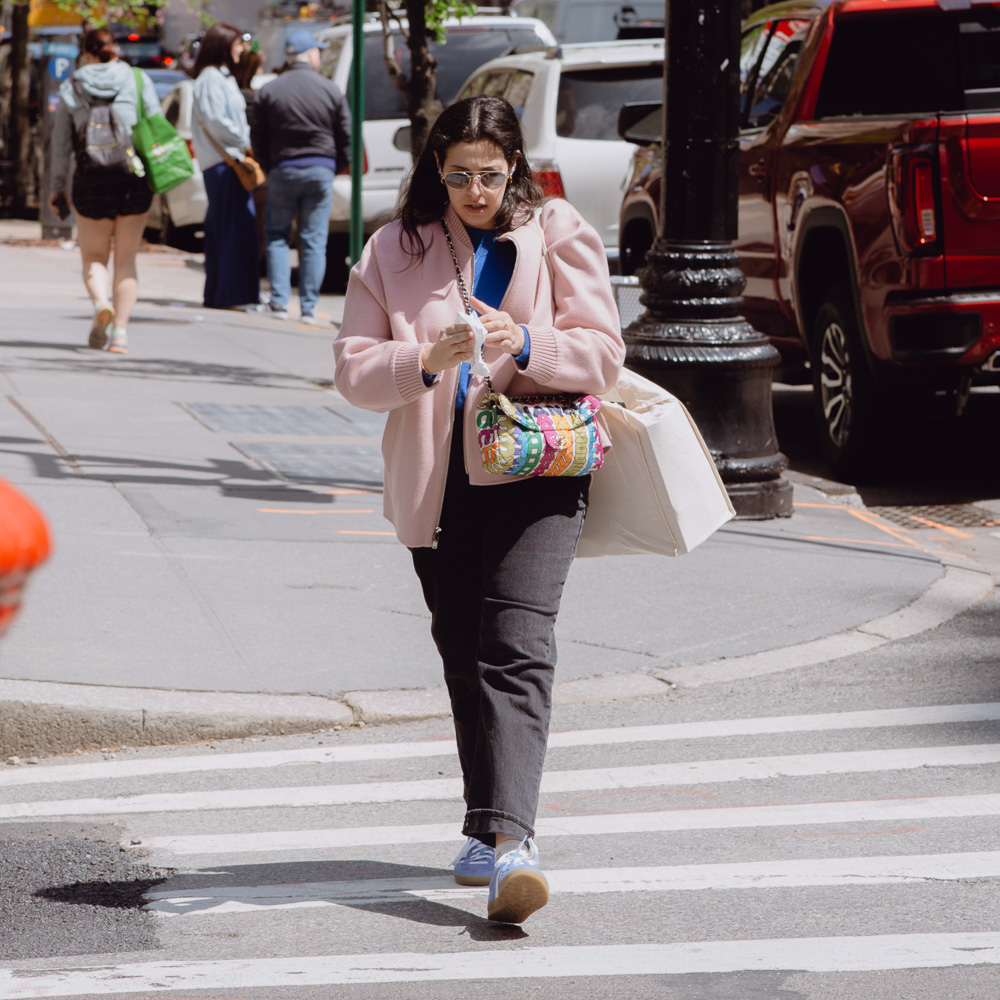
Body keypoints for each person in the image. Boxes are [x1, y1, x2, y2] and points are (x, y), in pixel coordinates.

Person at [333, 96, 624, 923]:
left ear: (514, 167)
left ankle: (514, 849)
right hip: (439, 480)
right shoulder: (396, 248)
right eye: (456, 174)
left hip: (538, 465)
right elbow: (352, 367)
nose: (473, 190)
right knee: (464, 648)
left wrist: (524, 342)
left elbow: (604, 352)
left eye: (489, 175)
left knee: (516, 643)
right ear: (433, 169)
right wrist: (422, 358)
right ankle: (482, 819)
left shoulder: (556, 229)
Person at [49, 27, 161, 356]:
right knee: (126, 260)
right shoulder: (137, 79)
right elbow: (154, 124)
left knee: (94, 258)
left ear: (85, 53)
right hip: (133, 179)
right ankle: (122, 335)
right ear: (115, 50)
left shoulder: (72, 86)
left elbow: (60, 146)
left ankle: (101, 303)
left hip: (90, 181)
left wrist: (57, 188)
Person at [252, 29, 350, 324]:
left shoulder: (269, 90)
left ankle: (280, 303)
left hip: (283, 168)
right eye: (318, 51)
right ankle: (308, 307)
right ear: (309, 55)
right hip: (321, 169)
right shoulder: (330, 89)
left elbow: (258, 136)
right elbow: (345, 133)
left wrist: (269, 166)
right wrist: (337, 164)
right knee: (314, 240)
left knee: (278, 236)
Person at [191, 23, 259, 310]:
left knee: (226, 229)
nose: (241, 49)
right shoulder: (211, 78)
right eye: (236, 44)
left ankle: (221, 294)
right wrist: (244, 139)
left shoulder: (219, 77)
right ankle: (231, 295)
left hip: (225, 162)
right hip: (224, 163)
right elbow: (217, 120)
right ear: (222, 45)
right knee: (235, 229)